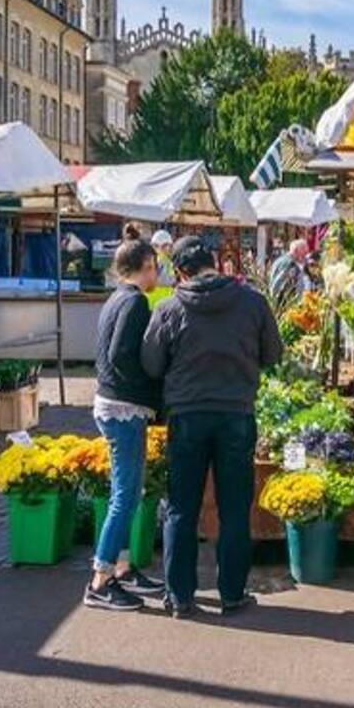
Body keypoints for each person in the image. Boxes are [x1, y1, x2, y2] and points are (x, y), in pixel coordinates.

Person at [141, 235, 283, 617]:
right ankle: (232, 593)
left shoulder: (170, 308)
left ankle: (180, 595)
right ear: (216, 263)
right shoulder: (252, 302)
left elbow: (151, 364)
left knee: (181, 508)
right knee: (235, 507)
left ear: (181, 272)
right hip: (236, 414)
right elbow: (274, 354)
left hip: (186, 416)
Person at [84, 237, 166, 611]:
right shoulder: (134, 302)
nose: (157, 272)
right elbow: (120, 355)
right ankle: (100, 581)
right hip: (124, 407)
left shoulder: (116, 297)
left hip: (112, 403)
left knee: (128, 492)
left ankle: (121, 567)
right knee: (125, 496)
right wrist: (149, 388)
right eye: (154, 266)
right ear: (146, 265)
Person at [267, 238, 310, 311]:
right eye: (304, 253)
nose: (305, 257)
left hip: (275, 303)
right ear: (296, 250)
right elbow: (278, 284)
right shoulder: (290, 265)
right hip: (283, 305)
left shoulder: (279, 260)